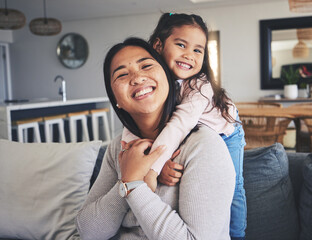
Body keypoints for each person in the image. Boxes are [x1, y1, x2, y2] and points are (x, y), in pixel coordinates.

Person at [76, 37, 236, 239]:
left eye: (147, 66)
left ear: (168, 77)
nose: (137, 78)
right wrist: (125, 181)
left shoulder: (203, 145)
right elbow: (89, 232)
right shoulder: (119, 147)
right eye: (122, 74)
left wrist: (134, 184)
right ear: (116, 100)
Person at [122, 13, 247, 240]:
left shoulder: (200, 86)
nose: (189, 55)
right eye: (181, 45)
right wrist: (151, 160)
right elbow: (137, 122)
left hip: (227, 132)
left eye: (198, 50)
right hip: (192, 132)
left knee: (234, 188)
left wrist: (152, 169)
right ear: (158, 45)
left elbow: (178, 125)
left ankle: (237, 235)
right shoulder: (155, 81)